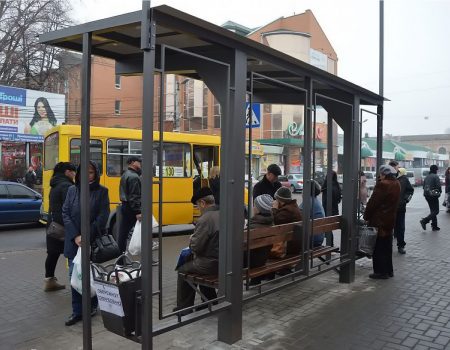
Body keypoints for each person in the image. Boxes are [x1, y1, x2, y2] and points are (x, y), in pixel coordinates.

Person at [62, 161, 110, 326]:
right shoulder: (72, 190)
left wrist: (86, 235)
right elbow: (65, 213)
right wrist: (76, 235)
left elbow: (103, 216)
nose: (86, 175)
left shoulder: (102, 192)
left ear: (96, 174)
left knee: (90, 276)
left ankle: (92, 305)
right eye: (83, 172)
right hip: (74, 242)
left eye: (90, 172)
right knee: (74, 277)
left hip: (92, 242)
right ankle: (77, 311)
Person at [174, 187, 219, 312]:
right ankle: (209, 300)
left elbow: (196, 247)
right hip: (227, 262)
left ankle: (184, 308)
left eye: (198, 206)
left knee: (183, 270)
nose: (198, 209)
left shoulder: (205, 219)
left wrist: (192, 238)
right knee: (199, 266)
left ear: (203, 203)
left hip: (212, 265)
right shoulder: (224, 213)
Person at [364, 164, 400, 279]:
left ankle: (380, 272)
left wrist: (366, 215)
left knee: (378, 247)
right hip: (389, 220)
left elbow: (373, 203)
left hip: (379, 221)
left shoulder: (383, 185)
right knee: (387, 247)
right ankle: (388, 271)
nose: (380, 176)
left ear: (383, 174)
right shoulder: (397, 184)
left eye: (380, 174)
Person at [44, 162, 76, 292]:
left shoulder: (55, 185)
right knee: (73, 254)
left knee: (53, 253)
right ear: (67, 172)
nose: (75, 174)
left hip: (53, 225)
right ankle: (76, 283)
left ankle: (49, 281)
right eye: (73, 171)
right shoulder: (67, 186)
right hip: (64, 225)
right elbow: (70, 208)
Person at [244, 194, 274, 285]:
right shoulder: (270, 222)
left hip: (251, 262)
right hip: (263, 258)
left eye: (254, 205)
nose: (253, 207)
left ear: (258, 209)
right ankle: (255, 280)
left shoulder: (254, 226)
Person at [118, 156, 142, 256]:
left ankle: (121, 255)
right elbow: (134, 196)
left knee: (123, 233)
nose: (140, 164)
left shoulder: (125, 174)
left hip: (126, 205)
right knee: (137, 231)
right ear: (132, 163)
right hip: (131, 208)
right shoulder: (133, 177)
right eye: (138, 162)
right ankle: (122, 256)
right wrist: (138, 211)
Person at [270, 186, 302, 258]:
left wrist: (274, 208)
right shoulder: (293, 206)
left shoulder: (287, 210)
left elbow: (275, 221)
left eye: (276, 199)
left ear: (280, 200)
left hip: (290, 248)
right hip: (296, 244)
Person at [394, 168, 414, 254]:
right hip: (390, 208)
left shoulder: (404, 179)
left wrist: (405, 200)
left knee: (400, 227)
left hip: (400, 207)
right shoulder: (391, 179)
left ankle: (401, 245)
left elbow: (410, 190)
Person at [300, 180, 325, 247]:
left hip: (310, 240)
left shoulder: (307, 202)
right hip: (319, 239)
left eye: (303, 189)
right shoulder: (316, 200)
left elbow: (297, 218)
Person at [420, 164, 442, 231]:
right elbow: (438, 186)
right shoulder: (435, 176)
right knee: (436, 211)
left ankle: (434, 226)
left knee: (433, 211)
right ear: (435, 170)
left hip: (427, 195)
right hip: (433, 196)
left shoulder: (427, 177)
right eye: (437, 170)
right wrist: (439, 193)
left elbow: (423, 187)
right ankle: (424, 221)